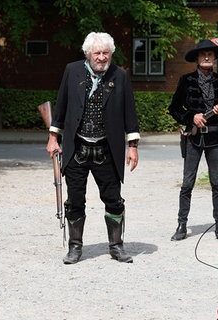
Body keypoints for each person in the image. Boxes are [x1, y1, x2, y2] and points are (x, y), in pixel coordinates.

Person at [46, 32, 140, 264]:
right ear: (88, 54)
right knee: (75, 200)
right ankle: (75, 247)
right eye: (97, 53)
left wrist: (133, 146)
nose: (101, 57)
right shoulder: (72, 71)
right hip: (76, 148)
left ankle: (116, 247)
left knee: (114, 199)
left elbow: (130, 112)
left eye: (105, 53)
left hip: (107, 149)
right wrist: (53, 137)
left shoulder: (120, 76)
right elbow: (61, 104)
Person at [168, 39, 218, 242]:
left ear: (214, 58)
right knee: (187, 183)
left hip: (215, 138)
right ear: (197, 58)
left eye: (210, 54)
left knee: (217, 183)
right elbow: (174, 109)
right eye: (203, 54)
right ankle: (182, 224)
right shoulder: (186, 80)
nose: (207, 57)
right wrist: (192, 117)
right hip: (194, 138)